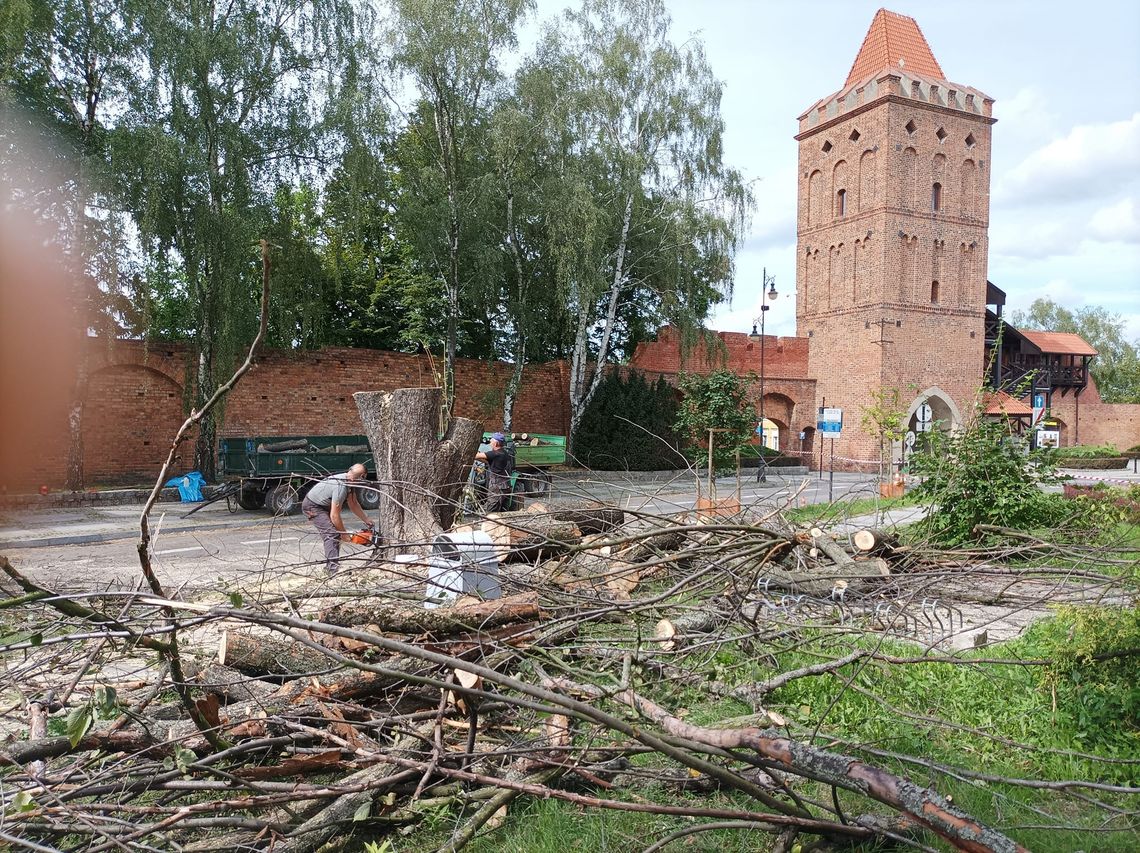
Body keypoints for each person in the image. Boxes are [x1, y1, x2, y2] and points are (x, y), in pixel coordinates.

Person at [302, 464, 373, 575]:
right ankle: (333, 570)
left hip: (323, 505)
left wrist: (366, 519)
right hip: (313, 506)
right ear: (361, 476)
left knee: (335, 533)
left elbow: (353, 503)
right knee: (332, 534)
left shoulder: (349, 482)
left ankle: (331, 566)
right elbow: (335, 516)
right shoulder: (341, 486)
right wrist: (343, 533)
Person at [475, 432, 515, 512]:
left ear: (496, 443)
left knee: (491, 512)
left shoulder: (495, 454)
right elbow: (488, 461)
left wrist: (476, 453)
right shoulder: (504, 453)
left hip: (497, 488)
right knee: (502, 512)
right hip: (506, 486)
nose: (490, 443)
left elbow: (475, 456)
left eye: (491, 441)